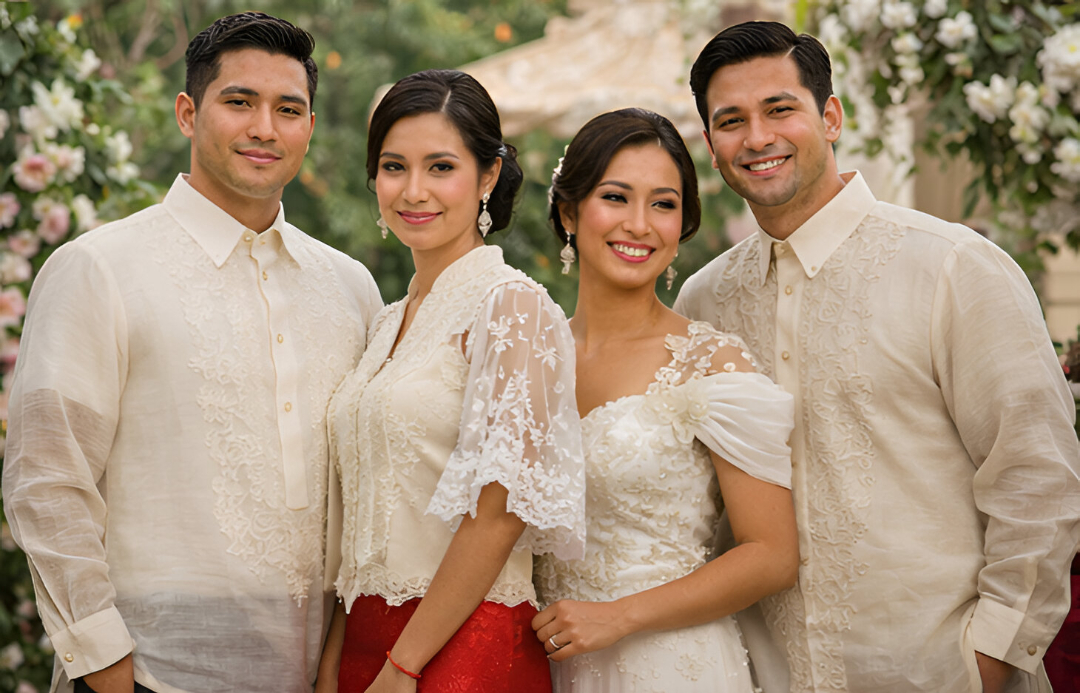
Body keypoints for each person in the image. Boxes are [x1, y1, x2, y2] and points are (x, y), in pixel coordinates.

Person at [675, 20, 1080, 693]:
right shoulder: (704, 300)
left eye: (780, 109)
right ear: (712, 147)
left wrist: (988, 661)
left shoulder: (954, 267)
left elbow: (1036, 477)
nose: (757, 138)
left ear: (830, 116)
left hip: (940, 675)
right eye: (731, 121)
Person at [2, 12, 382, 693]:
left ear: (310, 128)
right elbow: (45, 480)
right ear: (187, 112)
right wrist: (110, 671)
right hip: (153, 671)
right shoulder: (99, 267)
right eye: (239, 101)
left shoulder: (349, 287)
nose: (265, 127)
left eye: (288, 109)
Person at [317, 69, 585, 693]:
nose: (413, 191)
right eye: (393, 166)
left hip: (465, 647)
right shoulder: (385, 323)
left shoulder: (514, 307)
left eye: (441, 167)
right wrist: (335, 656)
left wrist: (404, 665)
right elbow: (362, 514)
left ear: (488, 175)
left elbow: (499, 517)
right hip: (366, 642)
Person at [530, 108, 799, 693]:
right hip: (543, 663)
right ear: (570, 211)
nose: (639, 224)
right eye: (616, 197)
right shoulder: (529, 355)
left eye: (663, 204)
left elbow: (771, 554)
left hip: (672, 665)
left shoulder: (711, 364)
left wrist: (617, 616)